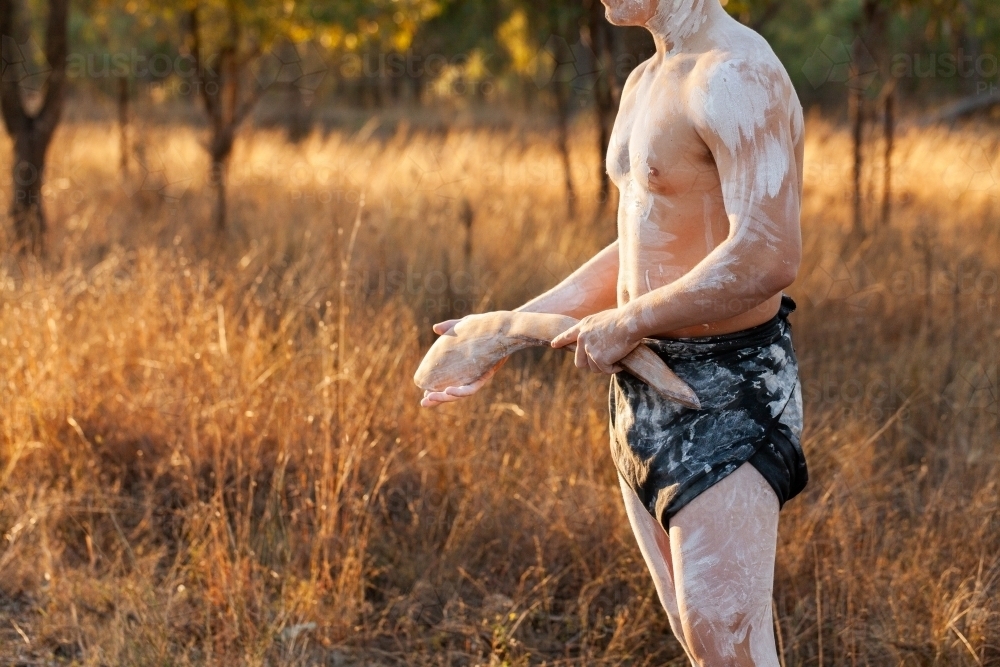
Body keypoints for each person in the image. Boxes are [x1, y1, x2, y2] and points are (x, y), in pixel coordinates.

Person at [422, 0, 807, 663]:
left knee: (728, 642)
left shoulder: (737, 74)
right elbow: (641, 244)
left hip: (725, 388)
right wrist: (504, 329)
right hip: (638, 388)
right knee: (698, 639)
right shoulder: (644, 80)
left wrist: (628, 320)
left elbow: (768, 254)